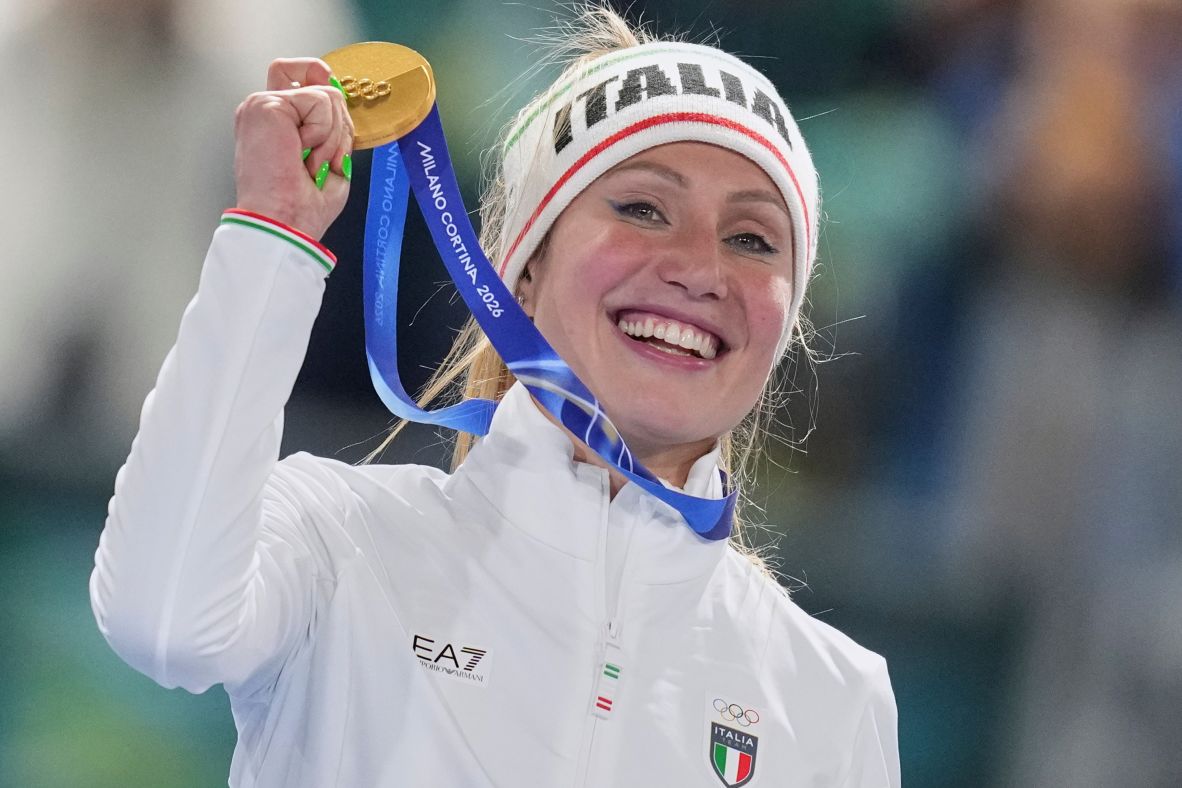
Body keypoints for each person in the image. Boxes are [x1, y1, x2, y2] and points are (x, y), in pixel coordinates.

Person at [90, 7, 899, 787]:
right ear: (523, 268)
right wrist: (273, 237)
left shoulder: (833, 702)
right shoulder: (344, 545)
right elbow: (162, 623)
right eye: (643, 208)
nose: (700, 268)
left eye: (752, 238)